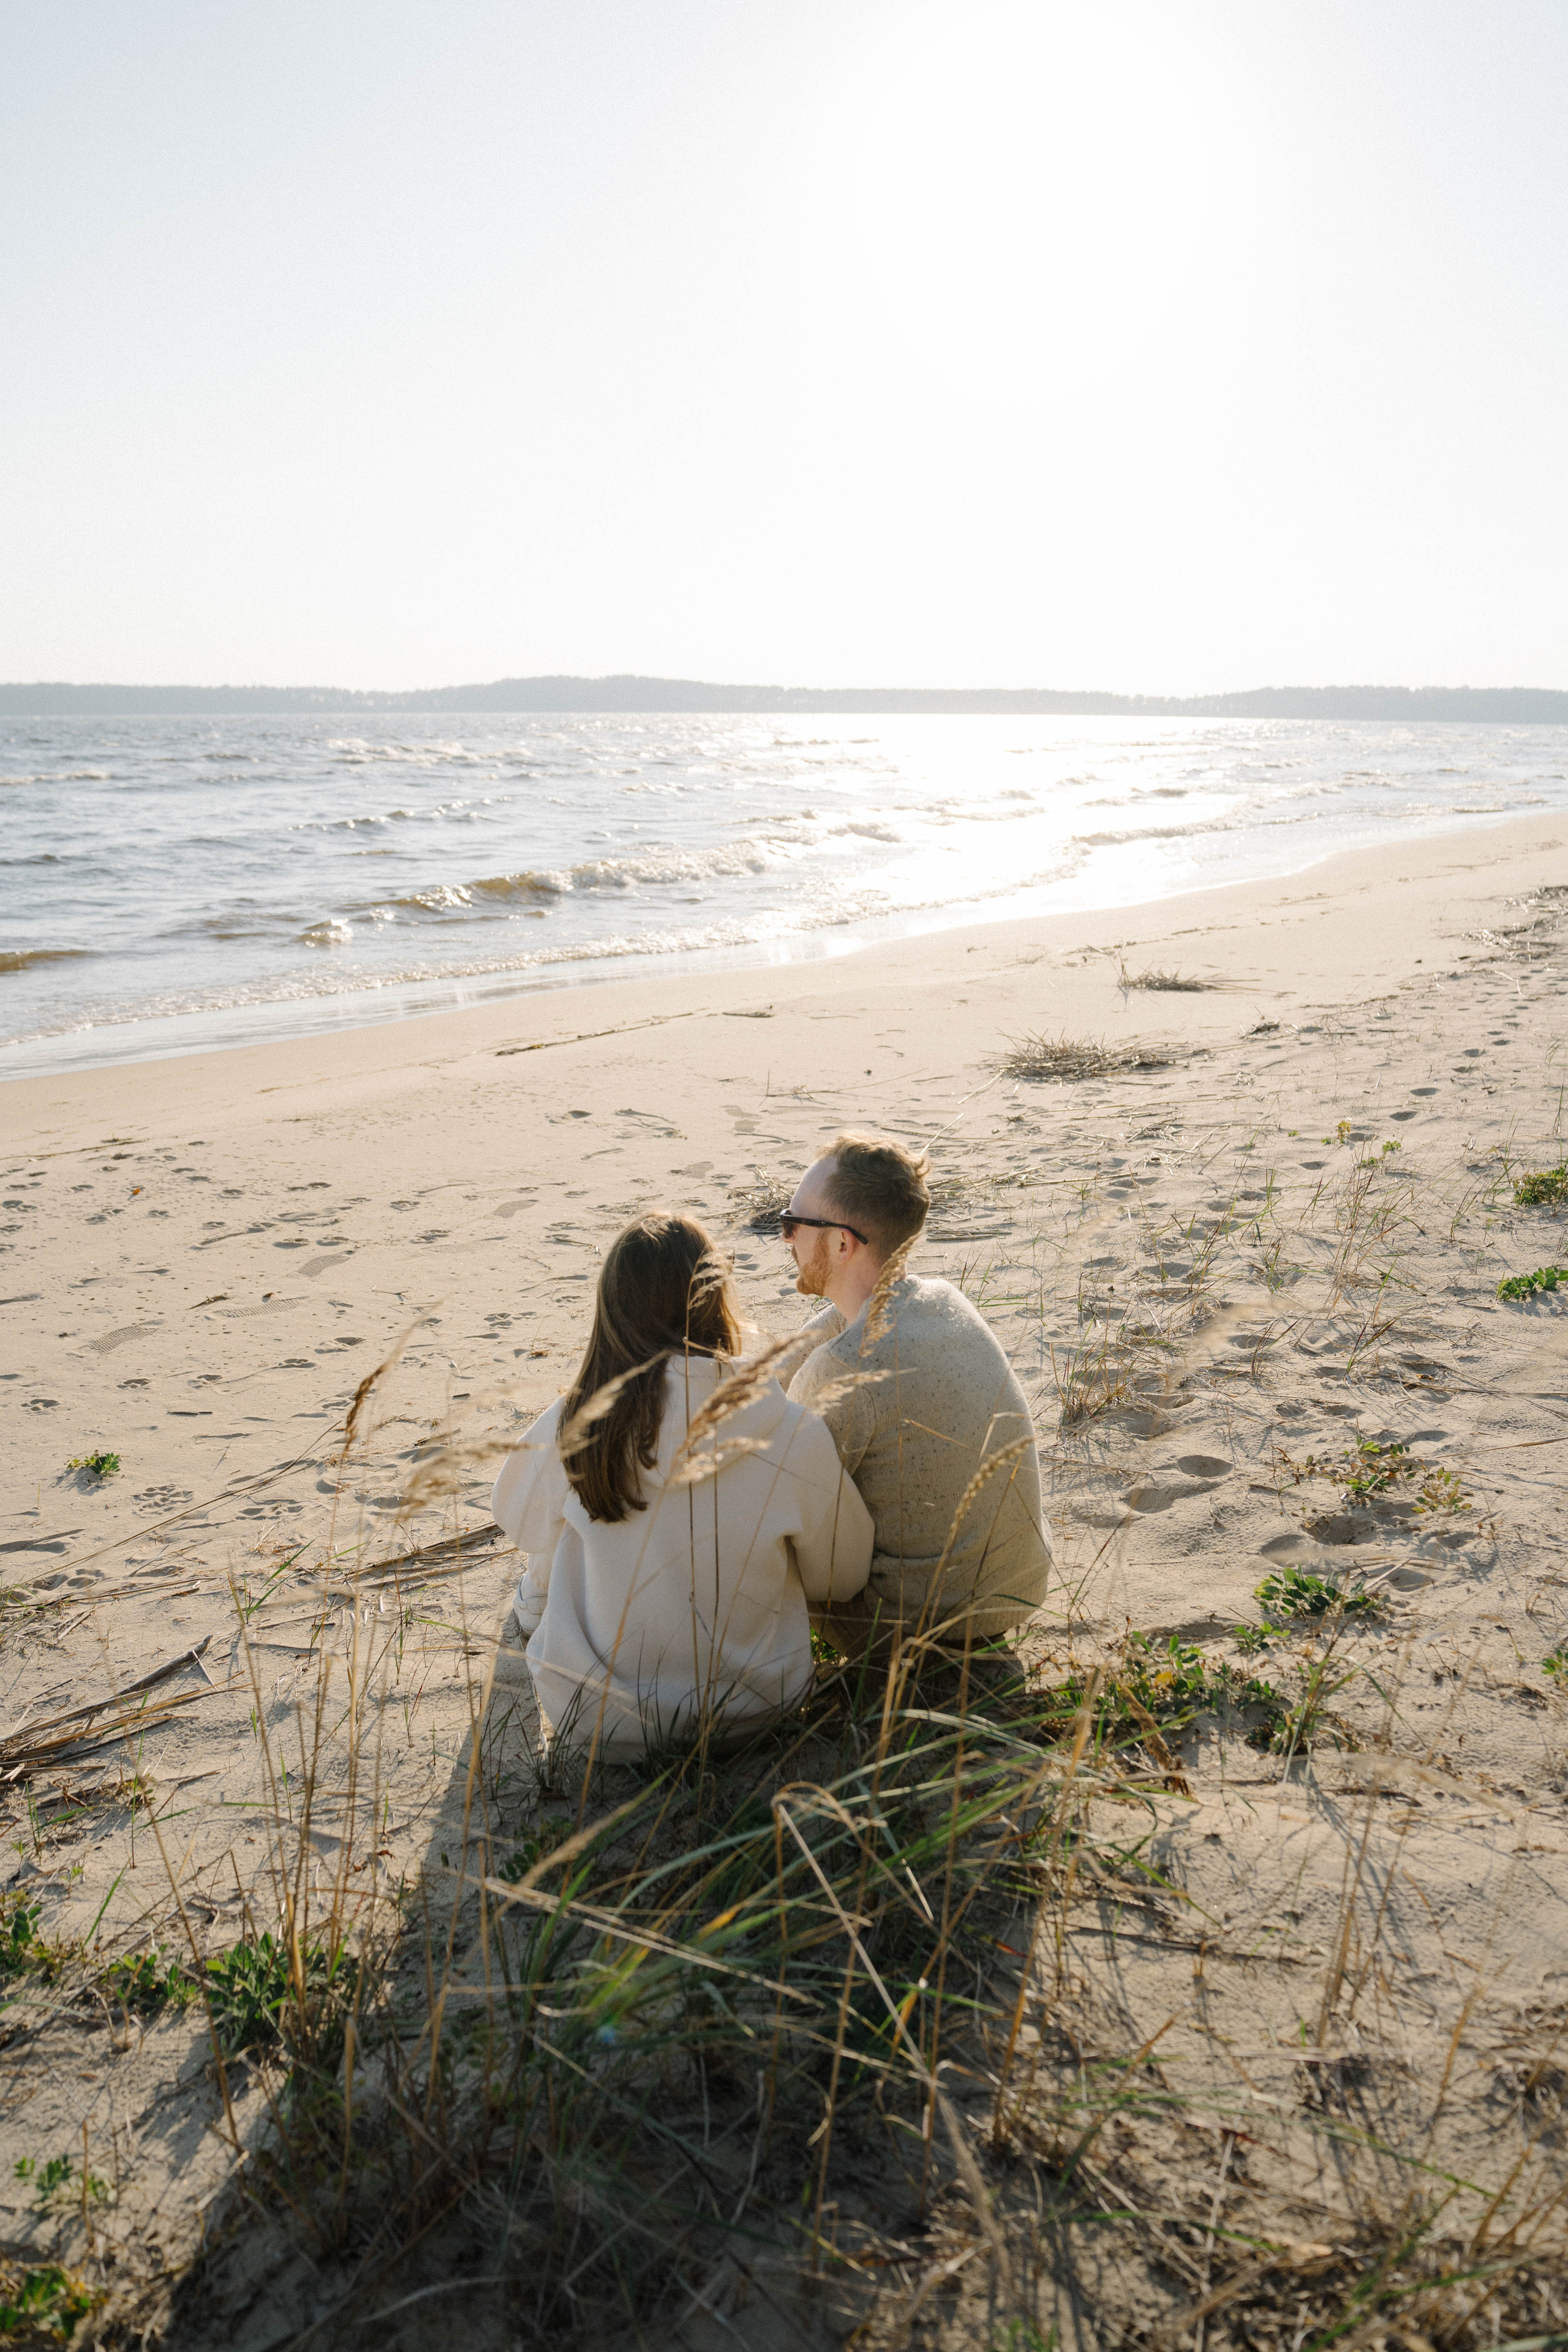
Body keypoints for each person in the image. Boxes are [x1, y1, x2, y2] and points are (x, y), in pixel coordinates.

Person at [491, 1210, 873, 1760]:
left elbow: (518, 1520)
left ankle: (537, 1611)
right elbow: (843, 1574)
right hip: (760, 1711)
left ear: (611, 1315)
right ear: (718, 1303)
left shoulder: (576, 1423)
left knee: (564, 1520)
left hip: (601, 1722)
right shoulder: (792, 1430)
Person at [782, 1133, 1051, 1657]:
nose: (786, 1237)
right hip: (1014, 1594)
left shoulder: (844, 1369)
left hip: (909, 1627)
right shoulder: (944, 1300)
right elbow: (822, 1337)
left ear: (842, 1244)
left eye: (793, 1223)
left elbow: (785, 1501)